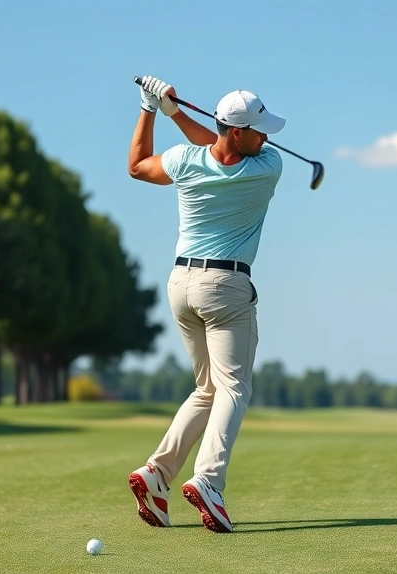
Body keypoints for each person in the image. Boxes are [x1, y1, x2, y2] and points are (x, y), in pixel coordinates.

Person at [125, 75, 286, 533]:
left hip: (181, 286)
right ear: (239, 131)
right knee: (234, 388)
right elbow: (220, 142)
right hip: (226, 286)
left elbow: (138, 166)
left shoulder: (183, 160)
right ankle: (209, 481)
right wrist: (175, 113)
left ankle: (156, 474)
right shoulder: (268, 167)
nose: (268, 137)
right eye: (259, 129)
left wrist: (152, 109)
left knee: (207, 389)